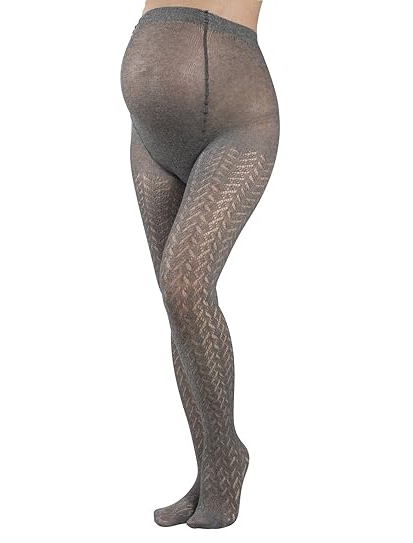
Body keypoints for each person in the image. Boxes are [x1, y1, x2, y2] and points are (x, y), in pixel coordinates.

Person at [120, 0, 280, 529]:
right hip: (150, 137)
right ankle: (208, 469)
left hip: (237, 121)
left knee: (184, 286)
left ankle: (228, 458)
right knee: (178, 309)